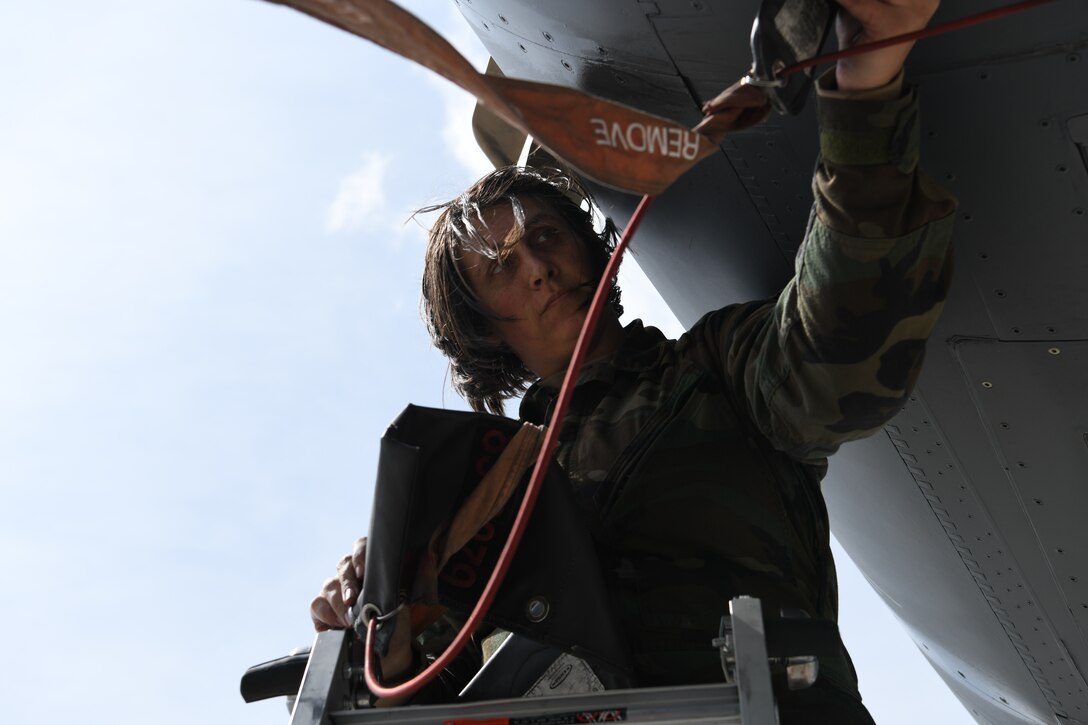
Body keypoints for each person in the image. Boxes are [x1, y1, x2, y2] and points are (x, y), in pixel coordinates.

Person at [311, 0, 956, 720]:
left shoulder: (710, 370)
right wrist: (376, 630)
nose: (536, 268)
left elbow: (843, 352)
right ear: (485, 331)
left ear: (591, 248)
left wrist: (864, 95)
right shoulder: (473, 508)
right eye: (501, 266)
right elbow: (429, 688)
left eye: (548, 237)